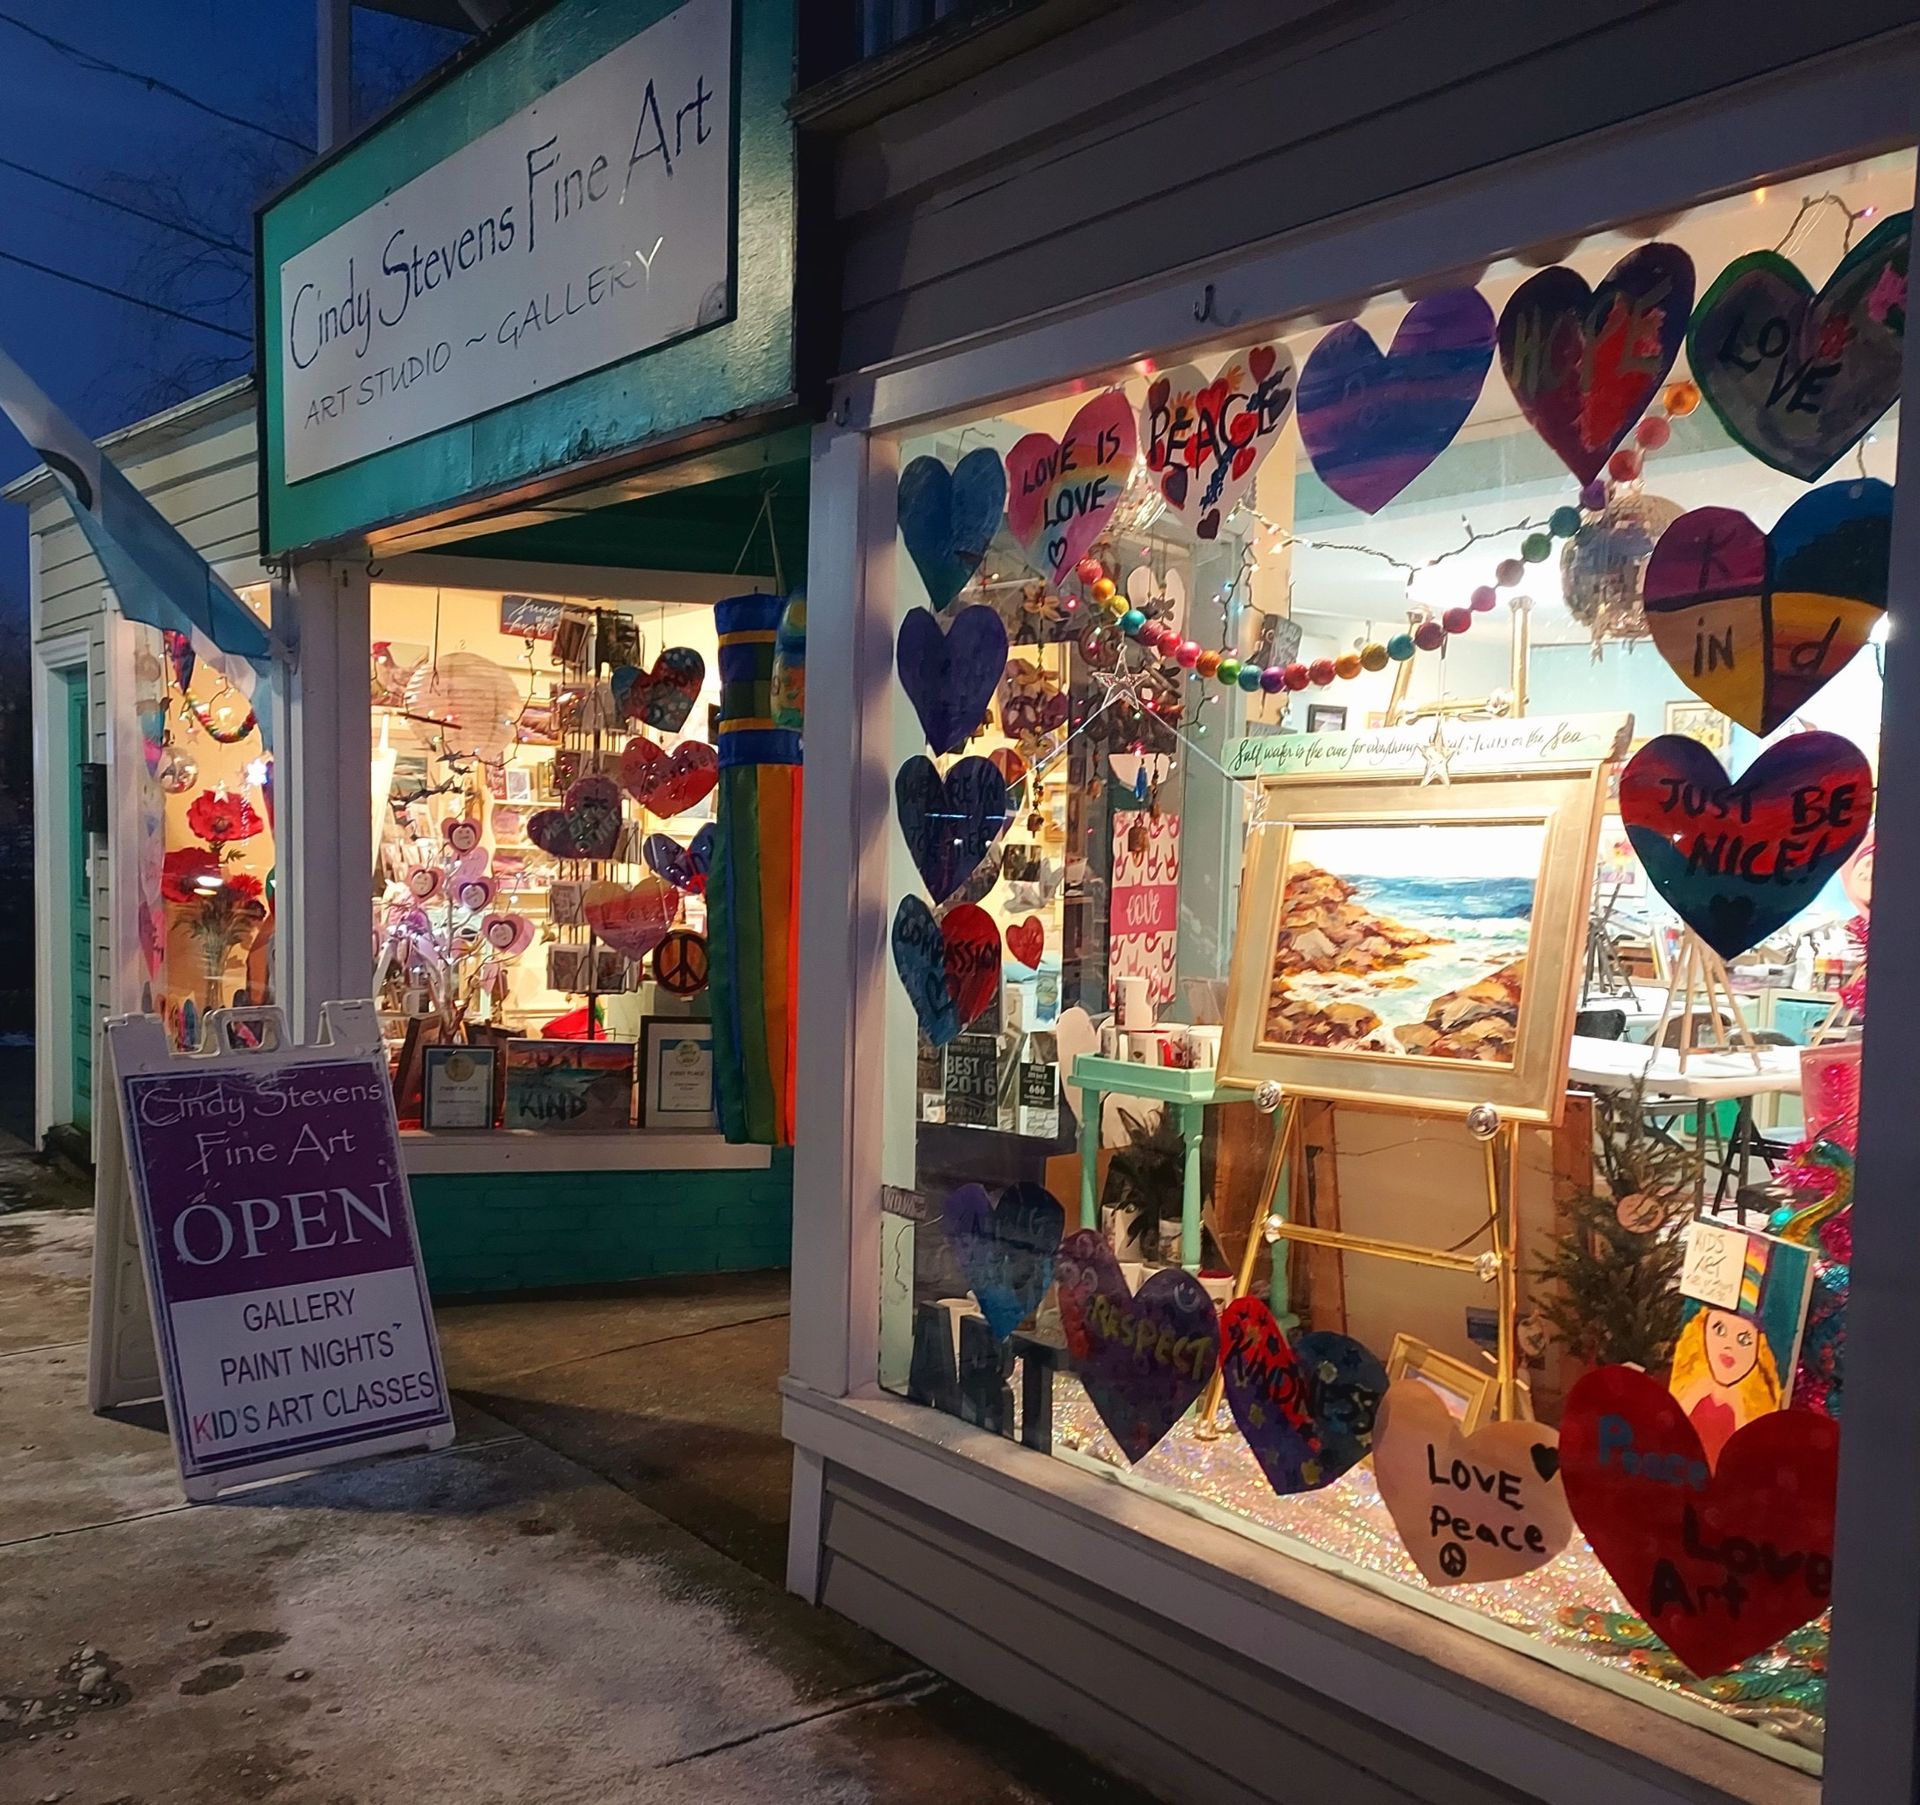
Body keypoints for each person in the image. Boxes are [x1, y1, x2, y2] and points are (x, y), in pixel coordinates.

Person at [1667, 1305, 1784, 1466]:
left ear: (1759, 1351)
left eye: (1744, 1340)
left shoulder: (1751, 1407)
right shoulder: (1691, 1387)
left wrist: (1739, 1411)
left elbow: (1750, 1459)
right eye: (1720, 1330)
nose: (1729, 1346)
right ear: (1702, 1331)